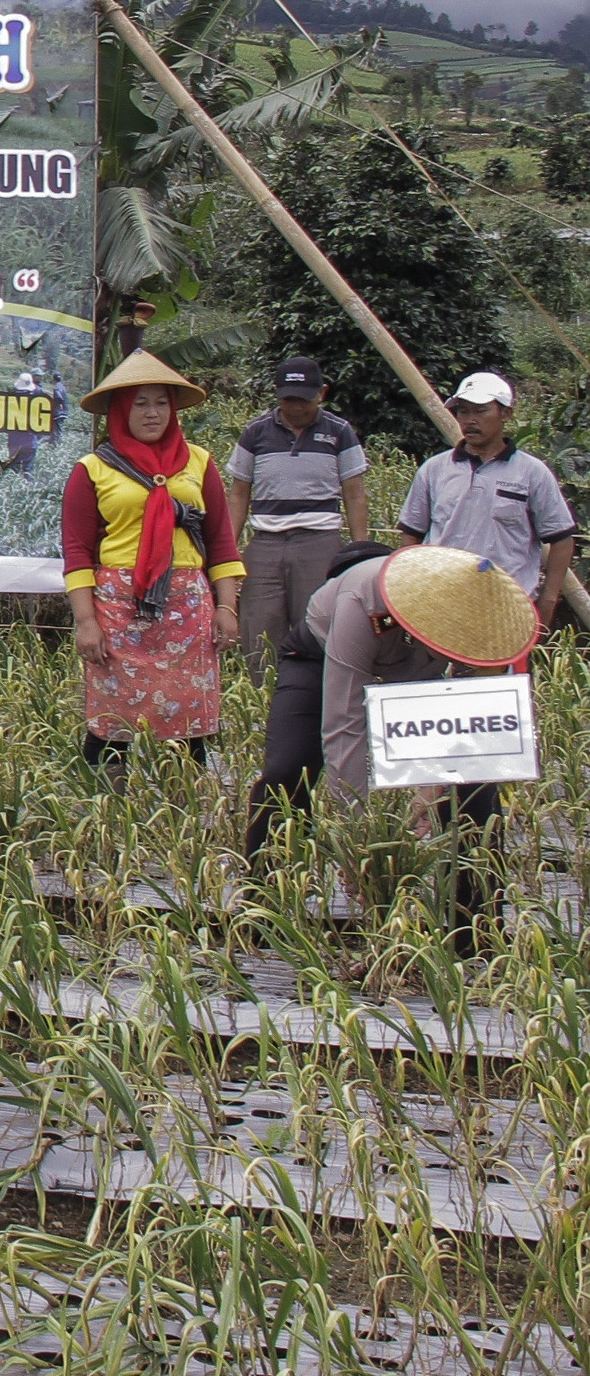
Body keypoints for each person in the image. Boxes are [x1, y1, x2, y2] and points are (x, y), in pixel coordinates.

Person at [250, 543, 536, 940]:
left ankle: (478, 926)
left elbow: (472, 733)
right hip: (318, 657)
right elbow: (342, 723)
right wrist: (359, 837)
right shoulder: (361, 603)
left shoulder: (485, 623)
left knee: (477, 788)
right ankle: (262, 908)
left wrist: (430, 786)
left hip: (418, 677)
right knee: (288, 769)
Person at [62, 350, 244, 772]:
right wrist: (86, 621)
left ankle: (190, 808)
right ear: (122, 410)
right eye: (140, 403)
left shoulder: (198, 462)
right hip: (118, 607)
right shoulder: (93, 469)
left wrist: (227, 606)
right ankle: (108, 805)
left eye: (161, 402)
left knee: (191, 716)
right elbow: (76, 551)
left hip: (187, 606)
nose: (153, 412)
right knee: (113, 715)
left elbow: (220, 541)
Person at [226, 355, 369, 678]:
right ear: (277, 394)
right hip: (266, 543)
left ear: (322, 393)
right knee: (259, 626)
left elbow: (354, 492)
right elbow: (239, 493)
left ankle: (313, 696)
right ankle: (265, 697)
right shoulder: (256, 432)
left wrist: (361, 550)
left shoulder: (339, 432)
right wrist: (229, 550)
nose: (297, 407)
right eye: (289, 399)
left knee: (318, 624)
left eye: (304, 399)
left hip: (319, 542)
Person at [398, 370, 576, 630]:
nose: (469, 420)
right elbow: (411, 534)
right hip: (441, 601)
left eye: (480, 411)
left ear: (505, 414)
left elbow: (561, 538)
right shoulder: (434, 469)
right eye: (462, 411)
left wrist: (548, 600)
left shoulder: (532, 472)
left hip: (509, 606)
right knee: (441, 669)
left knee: (503, 672)